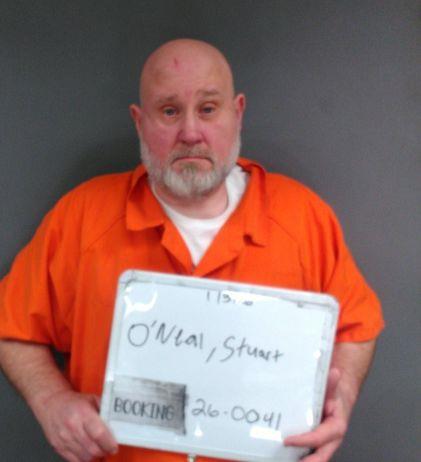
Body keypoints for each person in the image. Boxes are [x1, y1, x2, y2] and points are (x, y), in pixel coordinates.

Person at [0, 39, 384, 462]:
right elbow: (10, 327)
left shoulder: (303, 218)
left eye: (208, 108)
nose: (190, 133)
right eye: (169, 111)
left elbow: (357, 327)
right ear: (139, 122)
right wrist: (51, 401)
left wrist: (341, 397)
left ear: (237, 113)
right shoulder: (82, 218)